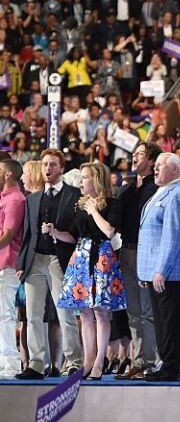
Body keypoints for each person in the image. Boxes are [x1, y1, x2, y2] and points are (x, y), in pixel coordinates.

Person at [15, 149, 84, 380]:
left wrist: (57, 233)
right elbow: (27, 234)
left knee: (65, 314)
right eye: (45, 164)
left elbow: (78, 234)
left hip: (59, 259)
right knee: (33, 315)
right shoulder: (32, 199)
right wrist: (22, 263)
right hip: (35, 260)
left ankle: (73, 362)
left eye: (53, 164)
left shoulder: (74, 195)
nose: (48, 168)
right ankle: (36, 364)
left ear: (61, 168)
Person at [55, 162, 125, 381]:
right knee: (84, 312)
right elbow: (74, 235)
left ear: (96, 180)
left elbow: (109, 230)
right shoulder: (80, 204)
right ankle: (87, 360)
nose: (81, 182)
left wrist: (94, 210)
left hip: (102, 256)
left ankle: (99, 361)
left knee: (100, 312)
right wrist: (55, 233)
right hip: (82, 255)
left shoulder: (112, 203)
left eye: (85, 177)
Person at [137, 153, 180, 382]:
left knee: (169, 320)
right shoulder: (162, 191)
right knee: (161, 319)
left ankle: (171, 367)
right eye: (156, 165)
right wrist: (146, 270)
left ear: (174, 170)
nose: (155, 169)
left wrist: (160, 269)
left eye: (160, 166)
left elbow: (173, 236)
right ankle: (166, 364)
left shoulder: (178, 194)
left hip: (171, 270)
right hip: (156, 269)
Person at [115, 142, 160, 380]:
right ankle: (138, 360)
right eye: (134, 153)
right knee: (133, 312)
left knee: (147, 311)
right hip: (126, 251)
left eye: (140, 154)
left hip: (146, 254)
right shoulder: (127, 189)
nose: (134, 157)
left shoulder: (156, 189)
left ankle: (150, 363)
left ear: (152, 161)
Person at [0, 160, 26, 378]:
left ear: (8, 174)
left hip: (7, 264)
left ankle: (10, 363)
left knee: (5, 315)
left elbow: (8, 234)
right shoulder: (5, 198)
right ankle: (4, 361)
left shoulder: (15, 200)